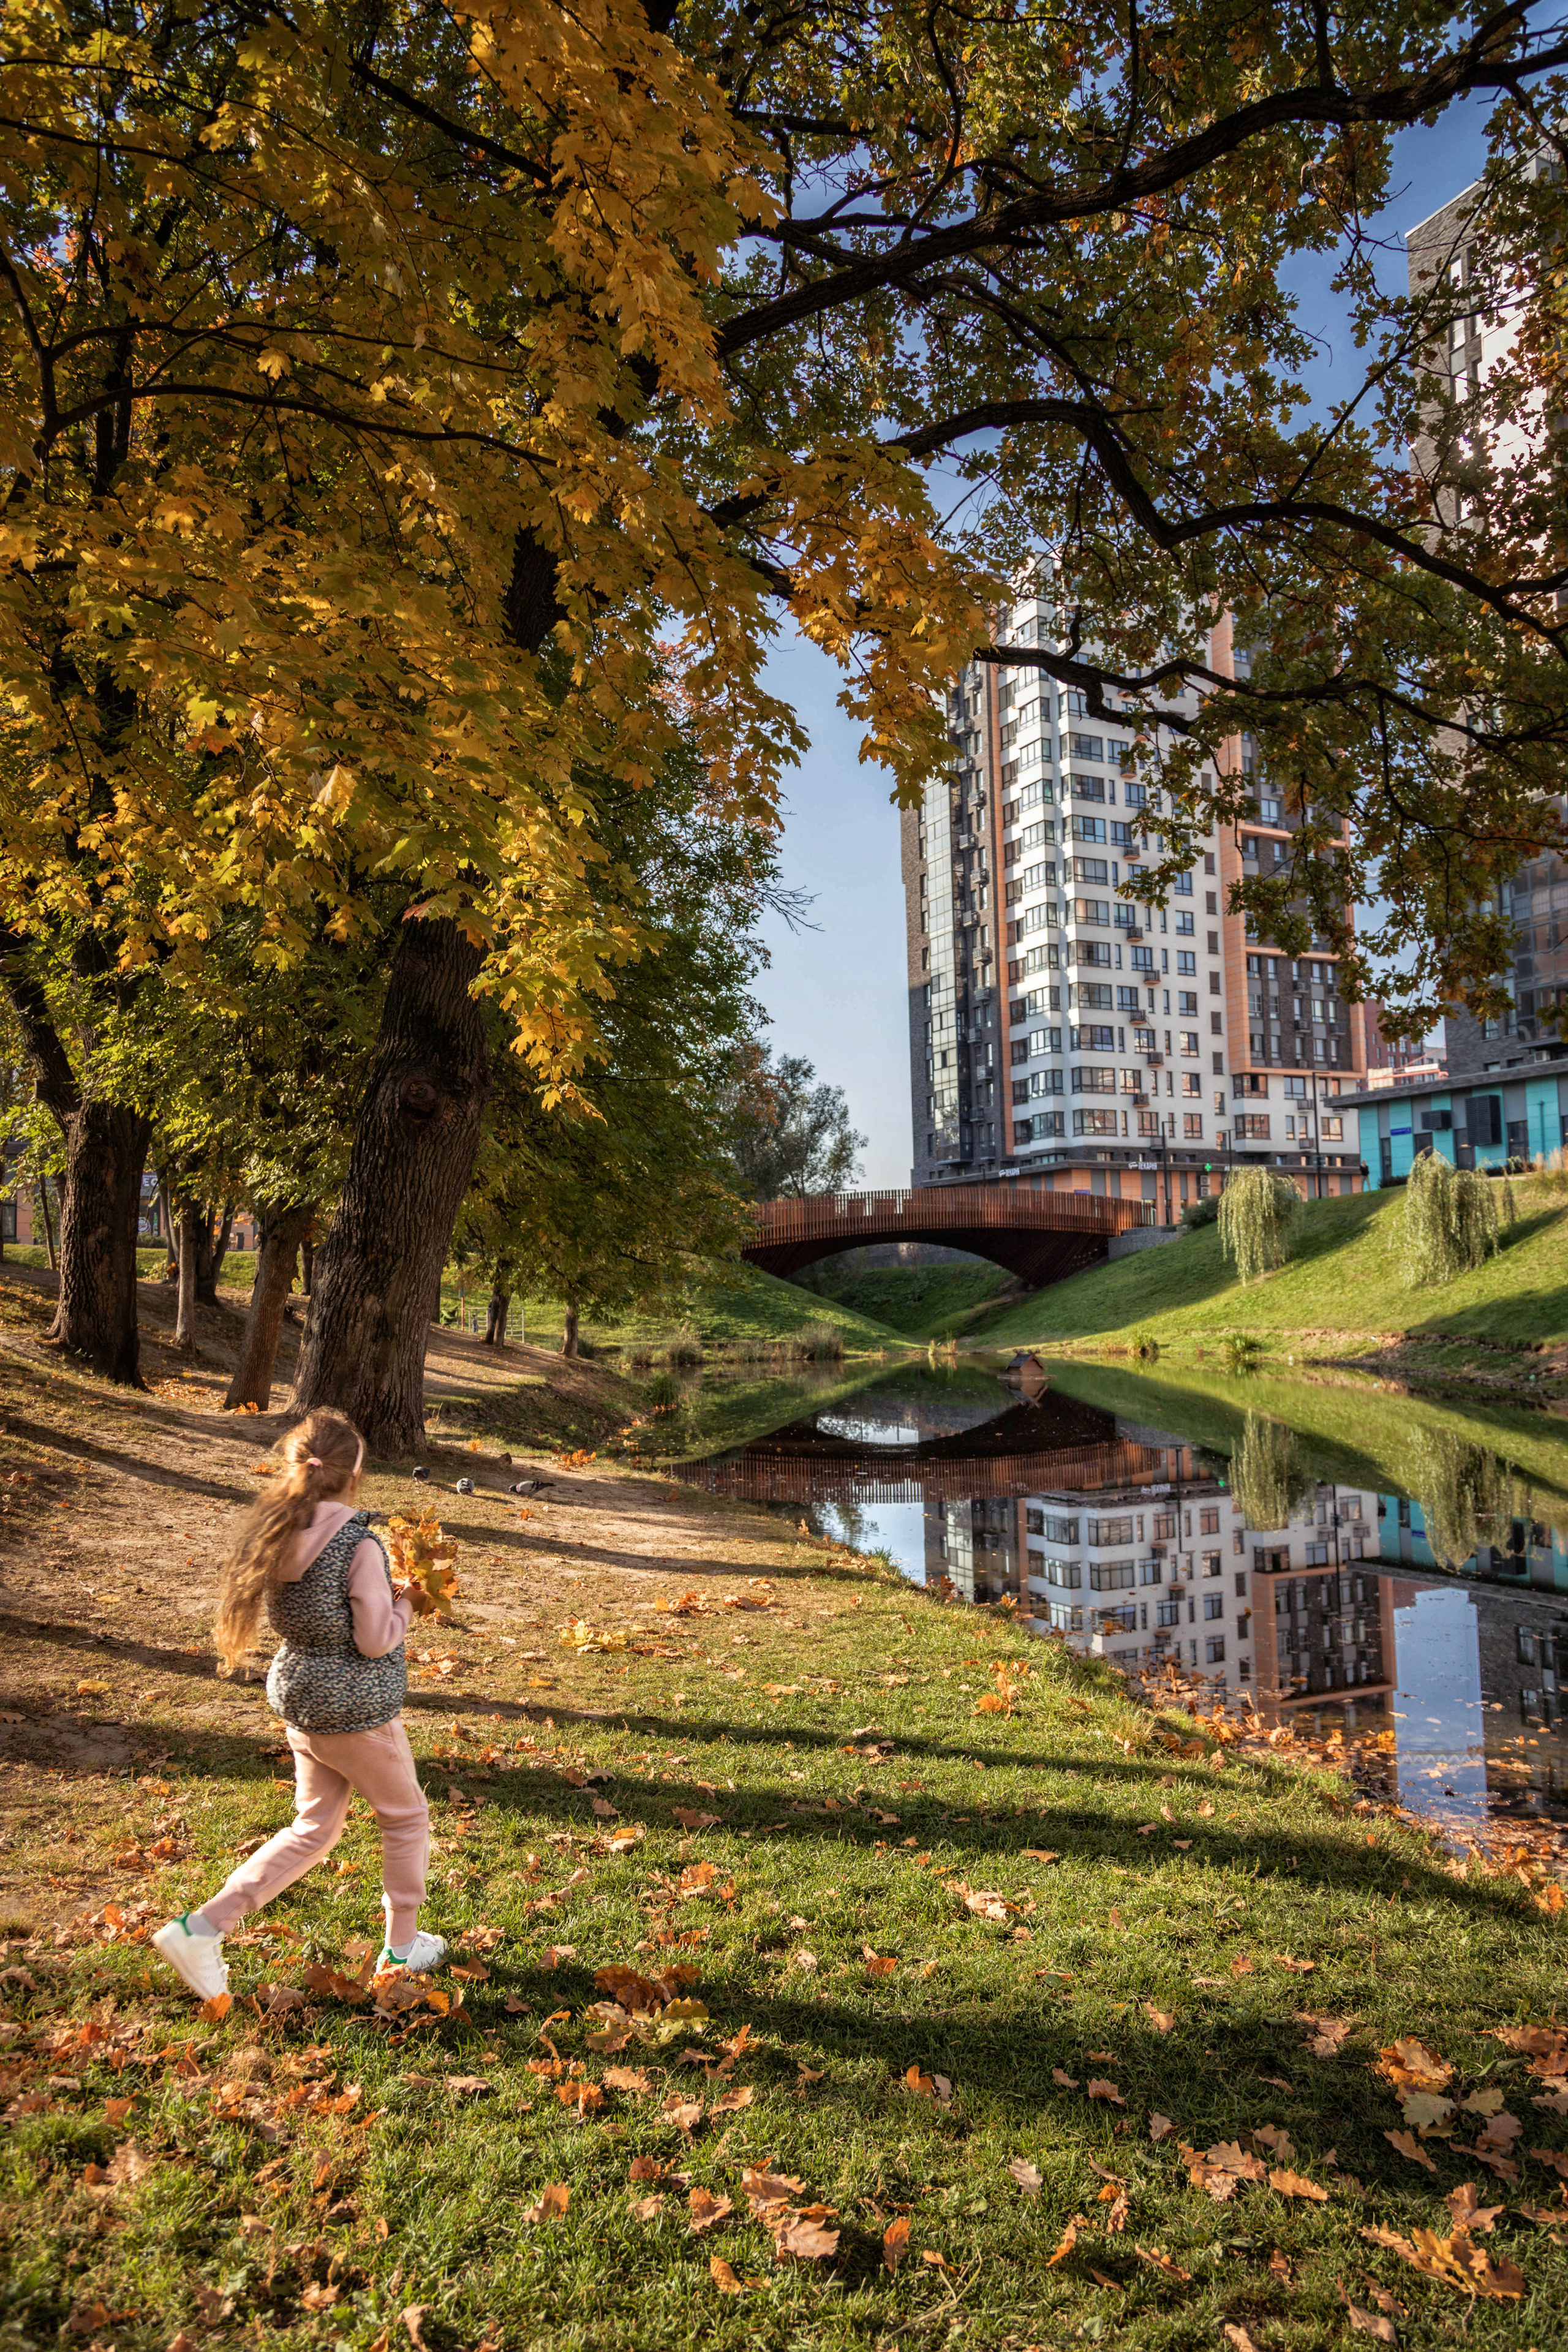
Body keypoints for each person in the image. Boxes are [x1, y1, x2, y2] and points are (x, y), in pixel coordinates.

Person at [153, 1408, 445, 2000]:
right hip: (355, 1708)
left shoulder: (279, 1528)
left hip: (301, 1697)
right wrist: (408, 1604)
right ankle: (404, 1945)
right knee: (407, 1817)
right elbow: (373, 1639)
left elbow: (323, 1609)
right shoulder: (358, 1542)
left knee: (313, 1826)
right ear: (353, 1477)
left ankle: (202, 1928)